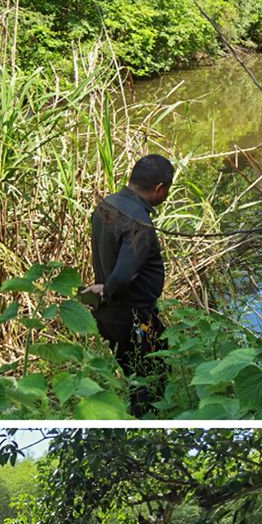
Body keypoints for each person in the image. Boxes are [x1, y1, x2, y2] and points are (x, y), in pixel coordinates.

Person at [85, 154, 173, 417]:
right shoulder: (138, 223)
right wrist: (107, 288)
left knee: (141, 366)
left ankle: (139, 412)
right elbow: (123, 277)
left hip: (110, 314)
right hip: (132, 315)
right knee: (152, 373)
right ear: (159, 188)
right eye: (167, 190)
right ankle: (143, 418)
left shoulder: (106, 205)